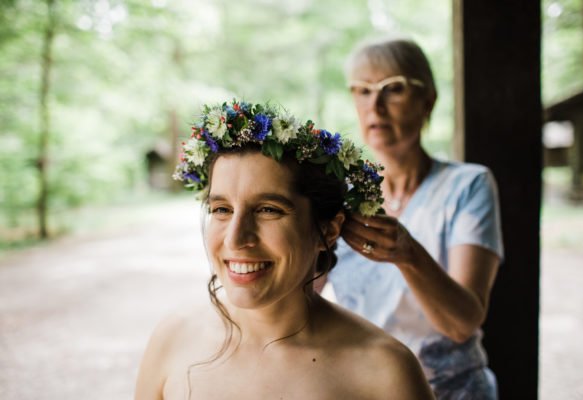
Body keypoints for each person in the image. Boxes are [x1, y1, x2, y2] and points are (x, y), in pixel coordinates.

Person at [134, 99, 434, 399]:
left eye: (267, 209)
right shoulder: (172, 339)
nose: (236, 239)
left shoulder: (385, 371)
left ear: (328, 230)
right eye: (222, 209)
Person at [327, 37, 504, 399]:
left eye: (393, 89)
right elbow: (301, 296)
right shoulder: (338, 194)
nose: (374, 105)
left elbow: (462, 323)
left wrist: (408, 253)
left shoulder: (467, 185)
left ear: (428, 101)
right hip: (365, 389)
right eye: (361, 91)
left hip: (452, 390)